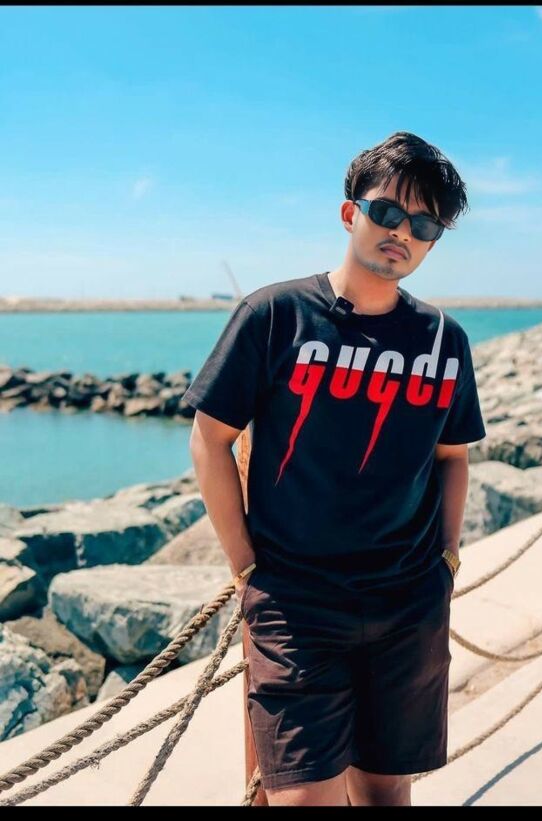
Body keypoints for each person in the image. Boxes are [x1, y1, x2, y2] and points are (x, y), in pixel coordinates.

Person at [182, 131, 486, 806]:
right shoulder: (275, 314)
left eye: (424, 225)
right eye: (387, 212)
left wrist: (446, 558)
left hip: (408, 601)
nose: (401, 232)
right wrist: (245, 564)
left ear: (433, 243)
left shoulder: (445, 339)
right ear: (351, 213)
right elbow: (210, 438)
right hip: (297, 604)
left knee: (385, 791)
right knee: (303, 797)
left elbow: (453, 456)